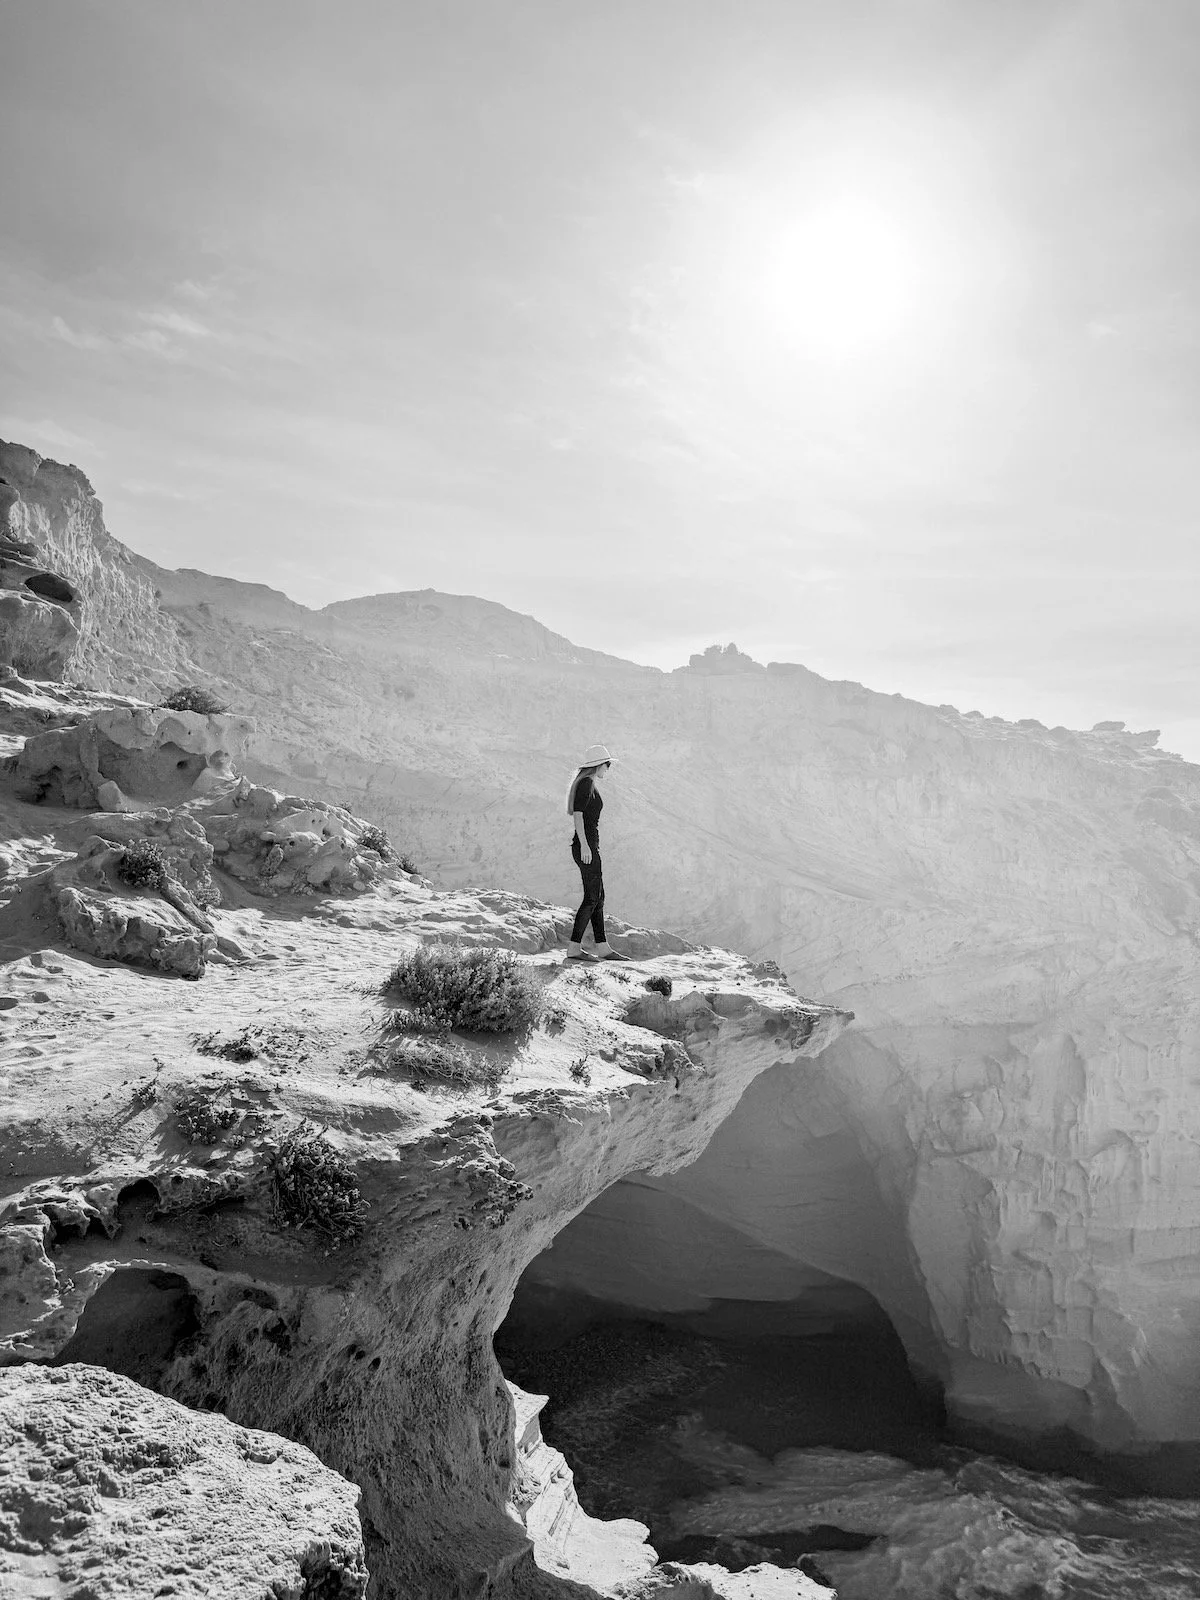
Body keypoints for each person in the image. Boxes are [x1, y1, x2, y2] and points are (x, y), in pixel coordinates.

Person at [564, 743, 628, 963]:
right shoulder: (585, 785)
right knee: (592, 898)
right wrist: (584, 845)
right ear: (599, 765)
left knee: (598, 898)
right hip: (586, 847)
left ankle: (603, 948)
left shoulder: (587, 783)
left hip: (590, 846)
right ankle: (574, 948)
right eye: (607, 765)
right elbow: (579, 816)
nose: (607, 769)